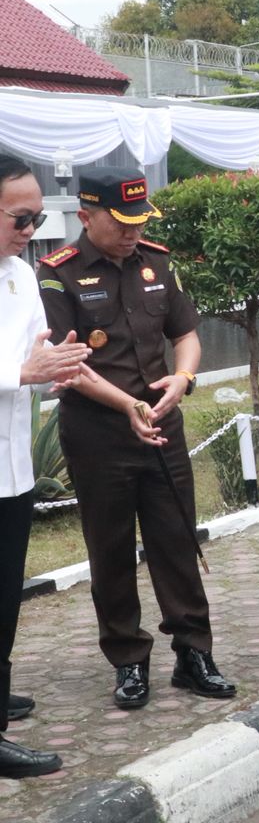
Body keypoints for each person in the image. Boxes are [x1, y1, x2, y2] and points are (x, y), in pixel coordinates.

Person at [39, 166, 235, 711]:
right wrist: (126, 404)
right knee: (111, 548)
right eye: (120, 221)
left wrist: (185, 377)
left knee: (177, 538)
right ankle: (129, 659)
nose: (131, 232)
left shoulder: (157, 261)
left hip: (162, 424)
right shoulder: (58, 274)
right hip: (99, 429)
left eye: (138, 220)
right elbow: (67, 362)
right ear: (85, 216)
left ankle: (194, 653)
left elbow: (186, 334)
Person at [0, 156, 91, 778]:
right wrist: (20, 375)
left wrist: (55, 367)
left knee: (6, 596)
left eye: (37, 216)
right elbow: (18, 369)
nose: (31, 228)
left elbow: (36, 353)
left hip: (11, 468)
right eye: (20, 217)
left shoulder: (19, 277)